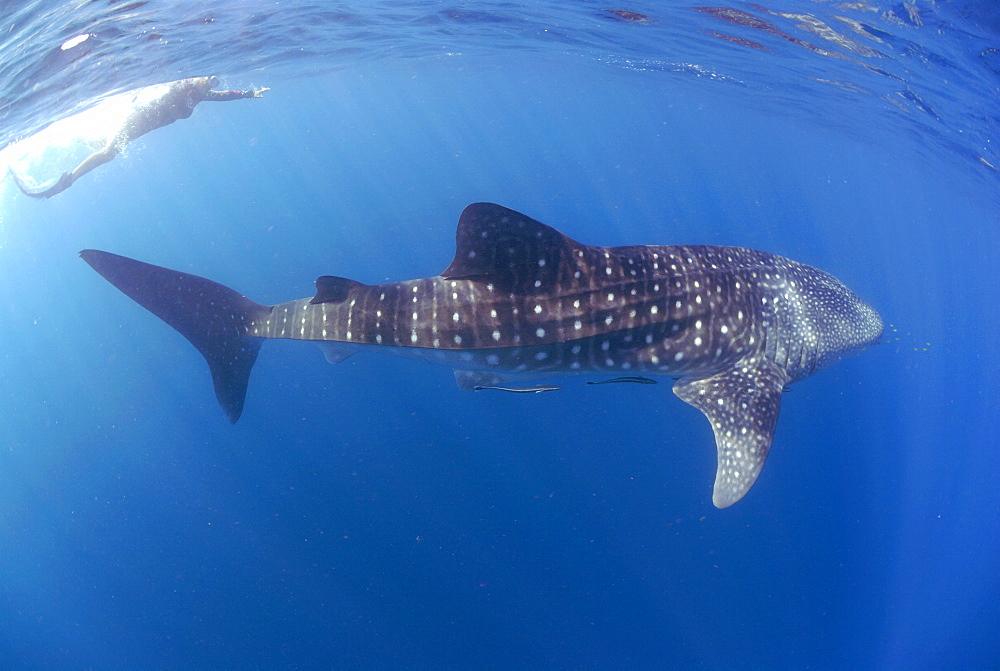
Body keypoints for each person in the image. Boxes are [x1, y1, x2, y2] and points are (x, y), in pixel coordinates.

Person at [10, 76, 268, 198]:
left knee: (104, 144)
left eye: (212, 82)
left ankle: (81, 136)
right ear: (197, 77)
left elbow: (225, 96)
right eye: (207, 79)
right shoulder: (180, 84)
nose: (210, 83)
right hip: (135, 118)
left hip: (141, 129)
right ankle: (66, 182)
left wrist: (249, 93)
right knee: (109, 153)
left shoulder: (200, 96)